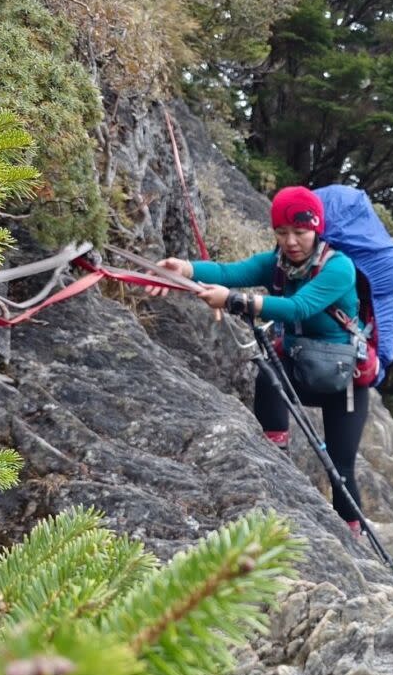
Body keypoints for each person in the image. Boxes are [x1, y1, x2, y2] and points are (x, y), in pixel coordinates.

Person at [148, 186, 368, 538]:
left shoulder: (339, 268)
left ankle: (353, 533)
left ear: (317, 229)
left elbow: (300, 308)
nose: (291, 241)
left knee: (341, 469)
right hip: (300, 366)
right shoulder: (276, 264)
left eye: (300, 232)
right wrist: (186, 268)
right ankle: (275, 454)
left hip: (343, 382)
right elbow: (229, 272)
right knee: (268, 369)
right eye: (282, 232)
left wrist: (234, 302)